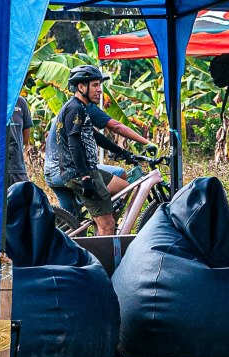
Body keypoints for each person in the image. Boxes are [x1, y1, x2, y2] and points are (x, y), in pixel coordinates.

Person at [44, 65, 154, 236]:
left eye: (99, 85)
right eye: (95, 85)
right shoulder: (75, 109)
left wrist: (122, 152)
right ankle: (103, 237)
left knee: (122, 189)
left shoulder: (81, 108)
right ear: (81, 87)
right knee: (107, 224)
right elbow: (74, 144)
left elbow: (95, 136)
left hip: (72, 170)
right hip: (78, 172)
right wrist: (85, 177)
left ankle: (98, 225)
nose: (100, 90)